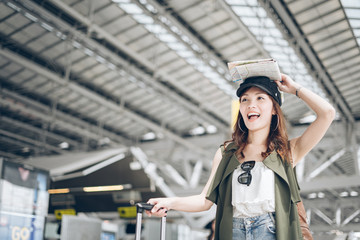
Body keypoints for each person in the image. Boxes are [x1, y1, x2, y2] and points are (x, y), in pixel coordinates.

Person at [146, 74, 335, 240]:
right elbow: (205, 201)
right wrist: (169, 202)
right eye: (245, 100)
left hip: (271, 231)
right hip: (233, 231)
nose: (251, 105)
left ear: (274, 109)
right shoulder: (226, 153)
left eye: (260, 98)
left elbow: (327, 113)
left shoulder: (287, 150)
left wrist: (295, 89)